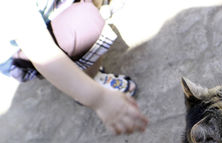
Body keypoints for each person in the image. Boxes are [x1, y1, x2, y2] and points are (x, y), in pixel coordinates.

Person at [0, 0, 148, 135]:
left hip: (50, 9)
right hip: (28, 48)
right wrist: (99, 98)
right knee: (85, 22)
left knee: (86, 13)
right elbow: (43, 54)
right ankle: (91, 77)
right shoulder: (12, 7)